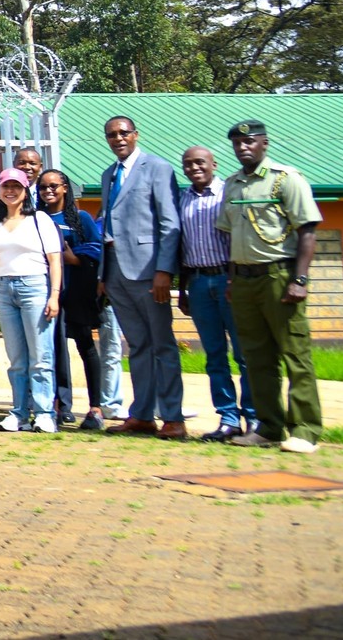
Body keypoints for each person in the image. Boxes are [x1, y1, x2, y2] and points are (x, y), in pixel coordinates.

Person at [219, 120, 322, 453]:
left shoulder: (285, 179)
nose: (243, 147)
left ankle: (305, 430)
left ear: (264, 143)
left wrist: (300, 279)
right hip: (245, 280)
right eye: (237, 143)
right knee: (256, 358)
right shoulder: (232, 185)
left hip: (280, 276)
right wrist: (233, 278)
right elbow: (231, 234)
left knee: (295, 355)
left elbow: (307, 230)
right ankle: (269, 427)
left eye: (249, 141)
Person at [98, 115, 186, 438]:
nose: (118, 139)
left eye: (123, 133)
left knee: (162, 344)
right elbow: (109, 224)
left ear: (135, 135)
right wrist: (103, 274)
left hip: (149, 271)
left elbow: (170, 223)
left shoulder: (157, 168)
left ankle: (173, 417)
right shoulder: (109, 175)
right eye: (111, 135)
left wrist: (165, 270)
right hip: (116, 272)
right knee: (137, 345)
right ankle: (142, 415)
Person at [178, 144, 255, 442]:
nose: (194, 168)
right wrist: (182, 289)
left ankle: (254, 417)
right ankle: (228, 418)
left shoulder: (229, 194)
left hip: (228, 279)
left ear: (214, 164)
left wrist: (236, 281)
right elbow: (180, 245)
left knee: (244, 353)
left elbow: (241, 238)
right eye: (188, 164)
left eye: (200, 162)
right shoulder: (182, 199)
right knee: (214, 356)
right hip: (198, 282)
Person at [0, 167, 63, 433]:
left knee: (40, 356)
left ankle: (43, 413)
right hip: (6, 290)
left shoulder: (40, 219)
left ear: (25, 190)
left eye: (16, 187)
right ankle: (19, 412)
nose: (10, 191)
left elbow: (54, 260)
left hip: (35, 286)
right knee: (17, 358)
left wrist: (54, 295)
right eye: (6, 186)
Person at [38, 168, 106, 430]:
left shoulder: (81, 218)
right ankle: (58, 406)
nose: (49, 191)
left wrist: (74, 258)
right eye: (43, 187)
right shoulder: (36, 218)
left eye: (54, 186)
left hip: (76, 292)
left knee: (86, 347)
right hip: (46, 293)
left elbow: (96, 248)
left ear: (65, 187)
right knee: (53, 350)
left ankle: (95, 408)